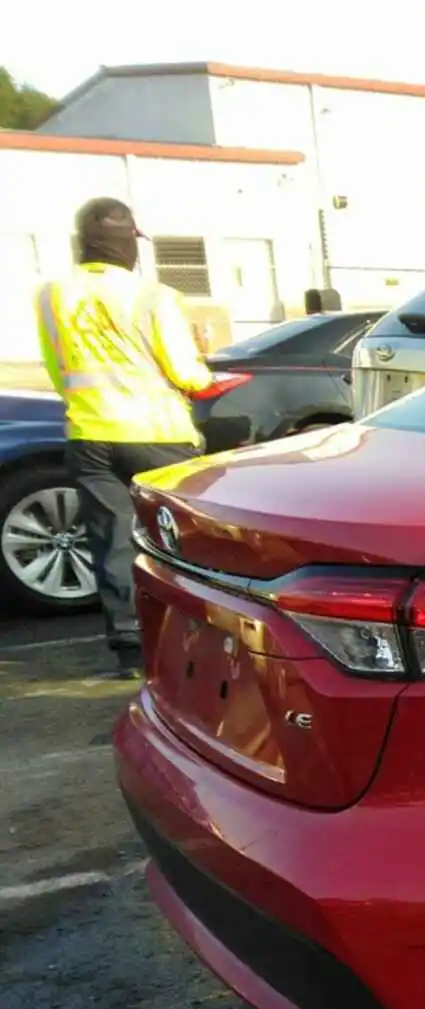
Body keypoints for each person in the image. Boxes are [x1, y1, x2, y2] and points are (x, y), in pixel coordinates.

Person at [35, 198, 211, 678]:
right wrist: (203, 375)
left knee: (111, 542)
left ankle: (132, 650)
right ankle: (192, 641)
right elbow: (185, 372)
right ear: (127, 244)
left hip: (89, 435)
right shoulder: (153, 296)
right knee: (179, 543)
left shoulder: (51, 294)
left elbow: (57, 367)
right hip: (158, 435)